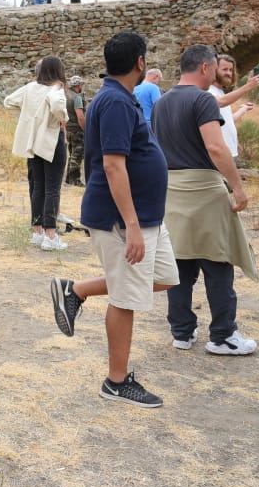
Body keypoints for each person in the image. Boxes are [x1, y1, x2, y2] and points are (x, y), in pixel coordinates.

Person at [49, 31, 176, 408]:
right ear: (140, 62)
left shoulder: (121, 97)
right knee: (126, 297)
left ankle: (77, 290)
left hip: (147, 216)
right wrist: (132, 225)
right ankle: (116, 381)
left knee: (163, 276)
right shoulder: (116, 102)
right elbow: (113, 165)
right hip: (126, 221)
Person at [152, 44, 259, 356]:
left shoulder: (162, 102)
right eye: (214, 68)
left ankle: (182, 332)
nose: (215, 73)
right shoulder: (203, 99)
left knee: (180, 265)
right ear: (203, 68)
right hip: (205, 189)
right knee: (218, 263)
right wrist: (237, 187)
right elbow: (215, 147)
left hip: (172, 191)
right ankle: (223, 335)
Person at [4, 58, 70, 250]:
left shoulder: (31, 87)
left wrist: (29, 118)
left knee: (38, 186)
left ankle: (38, 231)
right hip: (50, 139)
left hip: (32, 142)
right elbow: (58, 106)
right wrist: (62, 119)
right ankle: (51, 235)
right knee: (53, 188)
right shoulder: (56, 89)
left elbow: (9, 101)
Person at [209, 54, 259, 160]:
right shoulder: (208, 91)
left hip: (230, 154)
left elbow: (228, 120)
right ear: (214, 70)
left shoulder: (221, 93)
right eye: (224, 69)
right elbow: (220, 102)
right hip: (218, 156)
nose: (228, 73)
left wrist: (243, 109)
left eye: (230, 70)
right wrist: (248, 87)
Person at [64, 75, 87, 187]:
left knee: (72, 154)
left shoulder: (67, 96)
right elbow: (81, 117)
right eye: (81, 84)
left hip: (68, 129)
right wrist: (86, 130)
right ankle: (75, 180)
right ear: (78, 85)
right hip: (77, 130)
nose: (82, 86)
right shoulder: (77, 98)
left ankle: (68, 179)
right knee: (77, 155)